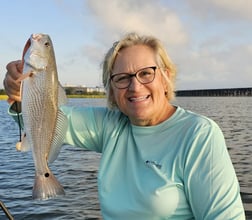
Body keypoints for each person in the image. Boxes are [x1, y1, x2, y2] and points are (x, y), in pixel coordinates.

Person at [3, 32, 245, 219]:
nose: (135, 86)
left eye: (146, 73)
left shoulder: (199, 135)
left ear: (166, 77)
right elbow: (46, 117)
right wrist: (19, 94)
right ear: (111, 88)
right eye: (122, 78)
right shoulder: (110, 125)